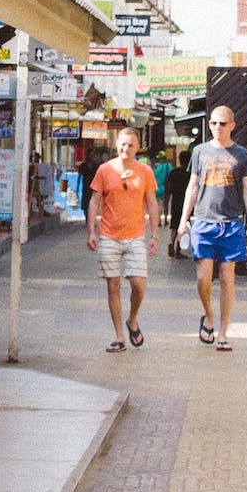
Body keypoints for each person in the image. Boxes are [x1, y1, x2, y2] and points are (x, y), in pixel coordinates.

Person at [181, 103, 247, 350]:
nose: (217, 127)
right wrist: (183, 221)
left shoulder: (243, 155)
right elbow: (192, 187)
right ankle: (209, 316)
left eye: (222, 123)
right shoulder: (200, 152)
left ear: (232, 126)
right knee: (203, 278)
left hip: (232, 224)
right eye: (213, 123)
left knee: (227, 279)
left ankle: (223, 333)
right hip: (204, 222)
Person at [86, 119, 159, 351]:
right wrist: (91, 231)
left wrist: (155, 235)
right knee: (113, 286)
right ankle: (119, 337)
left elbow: (152, 204)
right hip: (109, 235)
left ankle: (132, 319)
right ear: (117, 144)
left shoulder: (145, 172)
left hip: (135, 236)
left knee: (138, 285)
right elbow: (94, 201)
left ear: (138, 148)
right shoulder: (105, 170)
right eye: (122, 144)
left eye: (130, 145)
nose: (125, 149)